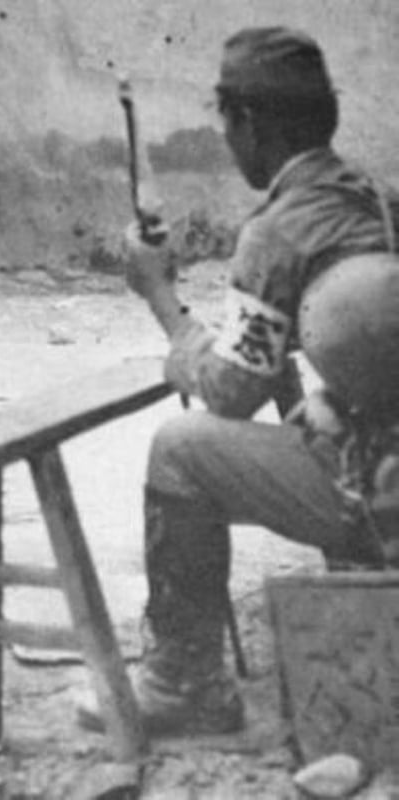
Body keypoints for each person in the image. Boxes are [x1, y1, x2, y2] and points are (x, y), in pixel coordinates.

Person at [77, 27, 399, 735]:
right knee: (315, 412)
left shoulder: (280, 230)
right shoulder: (374, 199)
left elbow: (230, 393)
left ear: (248, 121)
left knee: (181, 447)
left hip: (380, 490)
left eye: (226, 122)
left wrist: (162, 299)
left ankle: (184, 682)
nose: (226, 139)